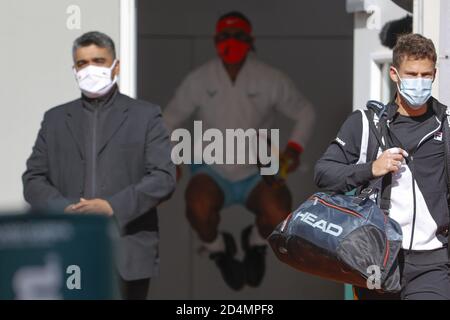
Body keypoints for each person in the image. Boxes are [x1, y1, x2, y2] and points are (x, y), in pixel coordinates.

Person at [164, 11, 316, 290]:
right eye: (224, 37)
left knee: (279, 212)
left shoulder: (269, 78)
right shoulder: (200, 79)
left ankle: (256, 244)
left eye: (237, 36)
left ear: (250, 39)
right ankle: (218, 248)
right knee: (197, 206)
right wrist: (175, 156)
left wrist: (293, 149)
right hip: (211, 169)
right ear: (215, 40)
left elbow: (305, 112)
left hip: (258, 170)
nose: (230, 42)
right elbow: (170, 118)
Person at [22, 31, 176, 300]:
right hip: (70, 250)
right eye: (82, 63)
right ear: (74, 69)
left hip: (127, 253)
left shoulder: (145, 115)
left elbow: (163, 177)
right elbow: (33, 179)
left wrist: (112, 207)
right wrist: (65, 209)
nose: (90, 68)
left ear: (115, 66)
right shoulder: (55, 119)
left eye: (98, 60)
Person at [315, 33, 450, 300]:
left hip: (432, 263)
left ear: (435, 74)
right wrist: (371, 169)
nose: (419, 82)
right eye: (411, 74)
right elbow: (323, 173)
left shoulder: (446, 124)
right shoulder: (365, 123)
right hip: (376, 258)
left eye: (426, 75)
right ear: (394, 74)